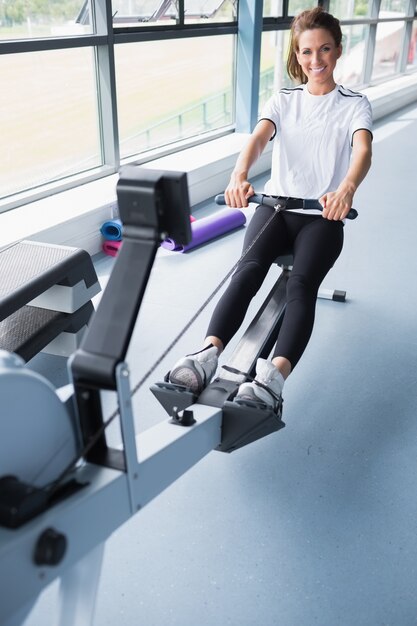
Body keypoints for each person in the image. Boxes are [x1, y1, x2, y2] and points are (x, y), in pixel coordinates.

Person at [168, 6, 373, 411]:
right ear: (296, 55)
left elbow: (362, 149)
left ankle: (273, 377)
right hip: (275, 209)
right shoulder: (284, 99)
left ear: (338, 50)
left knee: (301, 287)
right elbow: (259, 139)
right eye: (306, 52)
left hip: (322, 217)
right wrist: (238, 175)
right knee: (247, 271)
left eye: (325, 50)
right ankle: (206, 355)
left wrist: (346, 189)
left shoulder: (354, 104)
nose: (316, 61)